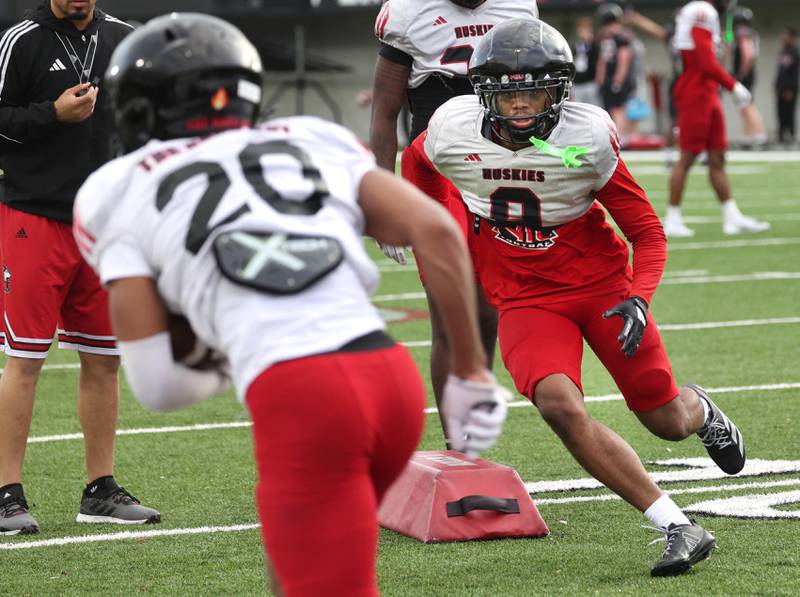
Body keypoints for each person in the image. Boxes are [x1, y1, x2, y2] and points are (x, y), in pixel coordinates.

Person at [73, 13, 507, 596]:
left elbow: (159, 387)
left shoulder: (114, 188)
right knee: (301, 568)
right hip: (390, 380)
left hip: (305, 398)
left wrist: (223, 345)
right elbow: (437, 231)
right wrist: (472, 370)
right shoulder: (310, 136)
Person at [405, 17, 747, 576]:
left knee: (664, 418)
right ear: (484, 92)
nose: (522, 106)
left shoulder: (585, 138)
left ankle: (701, 409)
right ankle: (676, 524)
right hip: (524, 295)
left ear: (559, 89)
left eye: (534, 90)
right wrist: (435, 234)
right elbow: (417, 166)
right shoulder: (450, 129)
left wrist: (639, 296)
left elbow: (647, 231)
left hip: (601, 286)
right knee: (559, 405)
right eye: (509, 92)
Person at [0, 0, 160, 536]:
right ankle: (6, 494)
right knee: (25, 359)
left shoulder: (127, 38)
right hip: (33, 217)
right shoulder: (20, 39)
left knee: (103, 358)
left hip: (105, 224)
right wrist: (52, 114)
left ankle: (101, 490)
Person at [370, 0, 538, 444]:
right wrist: (384, 198)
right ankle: (457, 447)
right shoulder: (408, 12)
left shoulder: (519, 6)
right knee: (449, 312)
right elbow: (384, 115)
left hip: (497, 171)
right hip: (435, 174)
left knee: (487, 313)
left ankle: (469, 437)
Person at [664, 0, 769, 238]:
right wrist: (733, 85)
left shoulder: (701, 11)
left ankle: (732, 217)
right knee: (688, 156)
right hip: (696, 90)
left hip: (707, 90)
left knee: (717, 156)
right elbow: (703, 59)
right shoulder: (702, 9)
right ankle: (673, 217)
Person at [594, 3, 635, 134]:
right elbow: (603, 59)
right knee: (610, 110)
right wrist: (601, 78)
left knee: (618, 109)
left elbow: (624, 59)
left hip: (616, 78)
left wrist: (618, 80)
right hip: (610, 77)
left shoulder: (620, 36)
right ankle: (615, 137)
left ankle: (620, 137)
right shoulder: (606, 37)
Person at [730, 6, 767, 148]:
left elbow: (748, 53)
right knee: (743, 105)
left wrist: (741, 73)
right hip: (750, 72)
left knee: (747, 104)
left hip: (745, 73)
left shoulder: (742, 33)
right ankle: (748, 137)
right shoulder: (752, 33)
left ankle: (759, 135)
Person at [775, 27, 799, 145]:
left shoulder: (795, 52)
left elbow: (794, 73)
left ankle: (791, 136)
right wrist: (776, 85)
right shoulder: (783, 51)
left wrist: (790, 89)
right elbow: (780, 71)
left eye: (786, 35)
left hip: (790, 88)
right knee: (780, 112)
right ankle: (781, 136)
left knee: (789, 112)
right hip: (781, 88)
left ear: (792, 37)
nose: (784, 37)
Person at [570, 17, 600, 106]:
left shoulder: (595, 45)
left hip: (590, 82)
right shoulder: (577, 46)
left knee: (593, 106)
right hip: (578, 83)